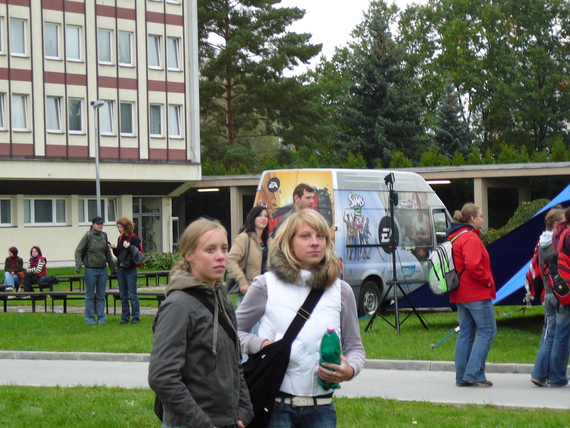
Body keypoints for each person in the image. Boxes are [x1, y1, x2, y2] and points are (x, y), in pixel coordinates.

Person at [237, 209, 365, 427]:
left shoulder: (341, 291)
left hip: (322, 408)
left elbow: (355, 347)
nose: (315, 243)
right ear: (289, 242)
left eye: (321, 236)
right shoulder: (265, 285)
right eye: (305, 236)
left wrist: (350, 369)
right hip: (276, 407)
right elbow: (232, 333)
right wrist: (261, 344)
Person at [148, 218, 254, 428]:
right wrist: (202, 424)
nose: (220, 257)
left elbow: (235, 362)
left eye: (224, 249)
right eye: (210, 250)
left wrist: (244, 410)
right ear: (190, 256)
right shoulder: (179, 306)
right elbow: (162, 377)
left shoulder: (222, 297)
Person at [447, 203, 497, 387]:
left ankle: (462, 377)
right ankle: (474, 373)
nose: (483, 219)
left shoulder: (455, 237)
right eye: (481, 216)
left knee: (466, 334)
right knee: (488, 330)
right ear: (473, 219)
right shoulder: (470, 238)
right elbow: (474, 265)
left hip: (460, 292)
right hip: (475, 292)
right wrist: (488, 281)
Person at [530, 207, 566, 387]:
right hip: (561, 293)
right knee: (561, 336)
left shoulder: (541, 242)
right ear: (558, 224)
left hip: (548, 292)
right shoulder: (558, 242)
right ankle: (557, 376)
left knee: (549, 334)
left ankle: (539, 372)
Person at [74, 216, 116, 325]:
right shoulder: (88, 236)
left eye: (102, 223)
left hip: (102, 270)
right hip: (90, 270)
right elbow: (78, 251)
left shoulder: (104, 236)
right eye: (98, 224)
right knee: (90, 295)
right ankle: (90, 318)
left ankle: (101, 318)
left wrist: (112, 268)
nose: (100, 225)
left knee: (101, 296)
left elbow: (107, 253)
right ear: (93, 225)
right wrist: (78, 266)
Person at [227, 206, 270, 306]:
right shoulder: (244, 238)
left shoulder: (269, 239)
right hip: (249, 291)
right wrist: (242, 281)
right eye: (260, 216)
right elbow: (230, 260)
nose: (264, 218)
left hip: (268, 290)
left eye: (266, 216)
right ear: (252, 218)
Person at [110, 217, 143, 324]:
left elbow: (137, 255)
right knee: (123, 295)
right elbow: (120, 255)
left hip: (130, 269)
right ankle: (125, 317)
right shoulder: (120, 238)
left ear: (126, 227)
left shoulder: (134, 239)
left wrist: (129, 247)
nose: (119, 229)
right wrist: (114, 249)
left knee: (133, 294)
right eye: (118, 227)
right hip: (121, 269)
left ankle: (135, 318)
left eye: (120, 227)